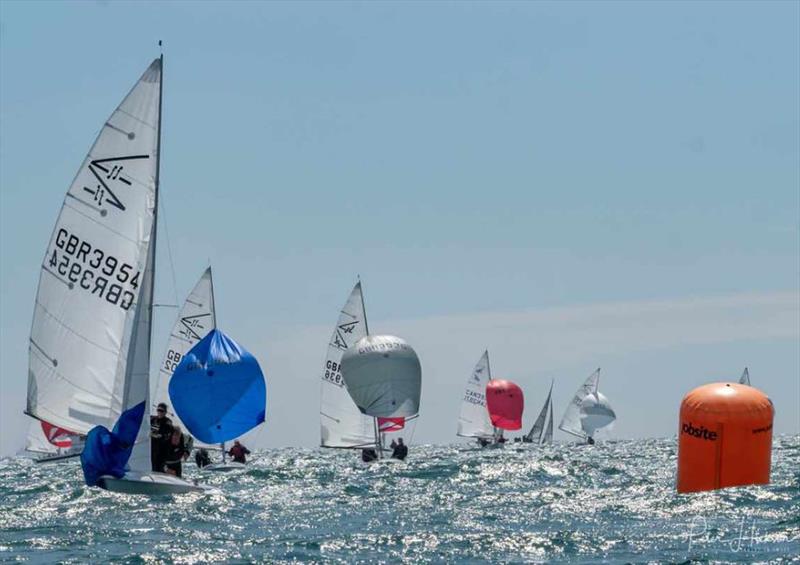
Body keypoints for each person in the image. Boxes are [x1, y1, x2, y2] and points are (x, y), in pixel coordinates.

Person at [150, 402, 173, 472]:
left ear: (165, 412)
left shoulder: (167, 422)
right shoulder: (152, 419)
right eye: (158, 410)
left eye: (162, 411)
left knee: (158, 467)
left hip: (161, 450)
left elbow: (166, 434)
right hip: (151, 447)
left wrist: (158, 435)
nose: (159, 412)